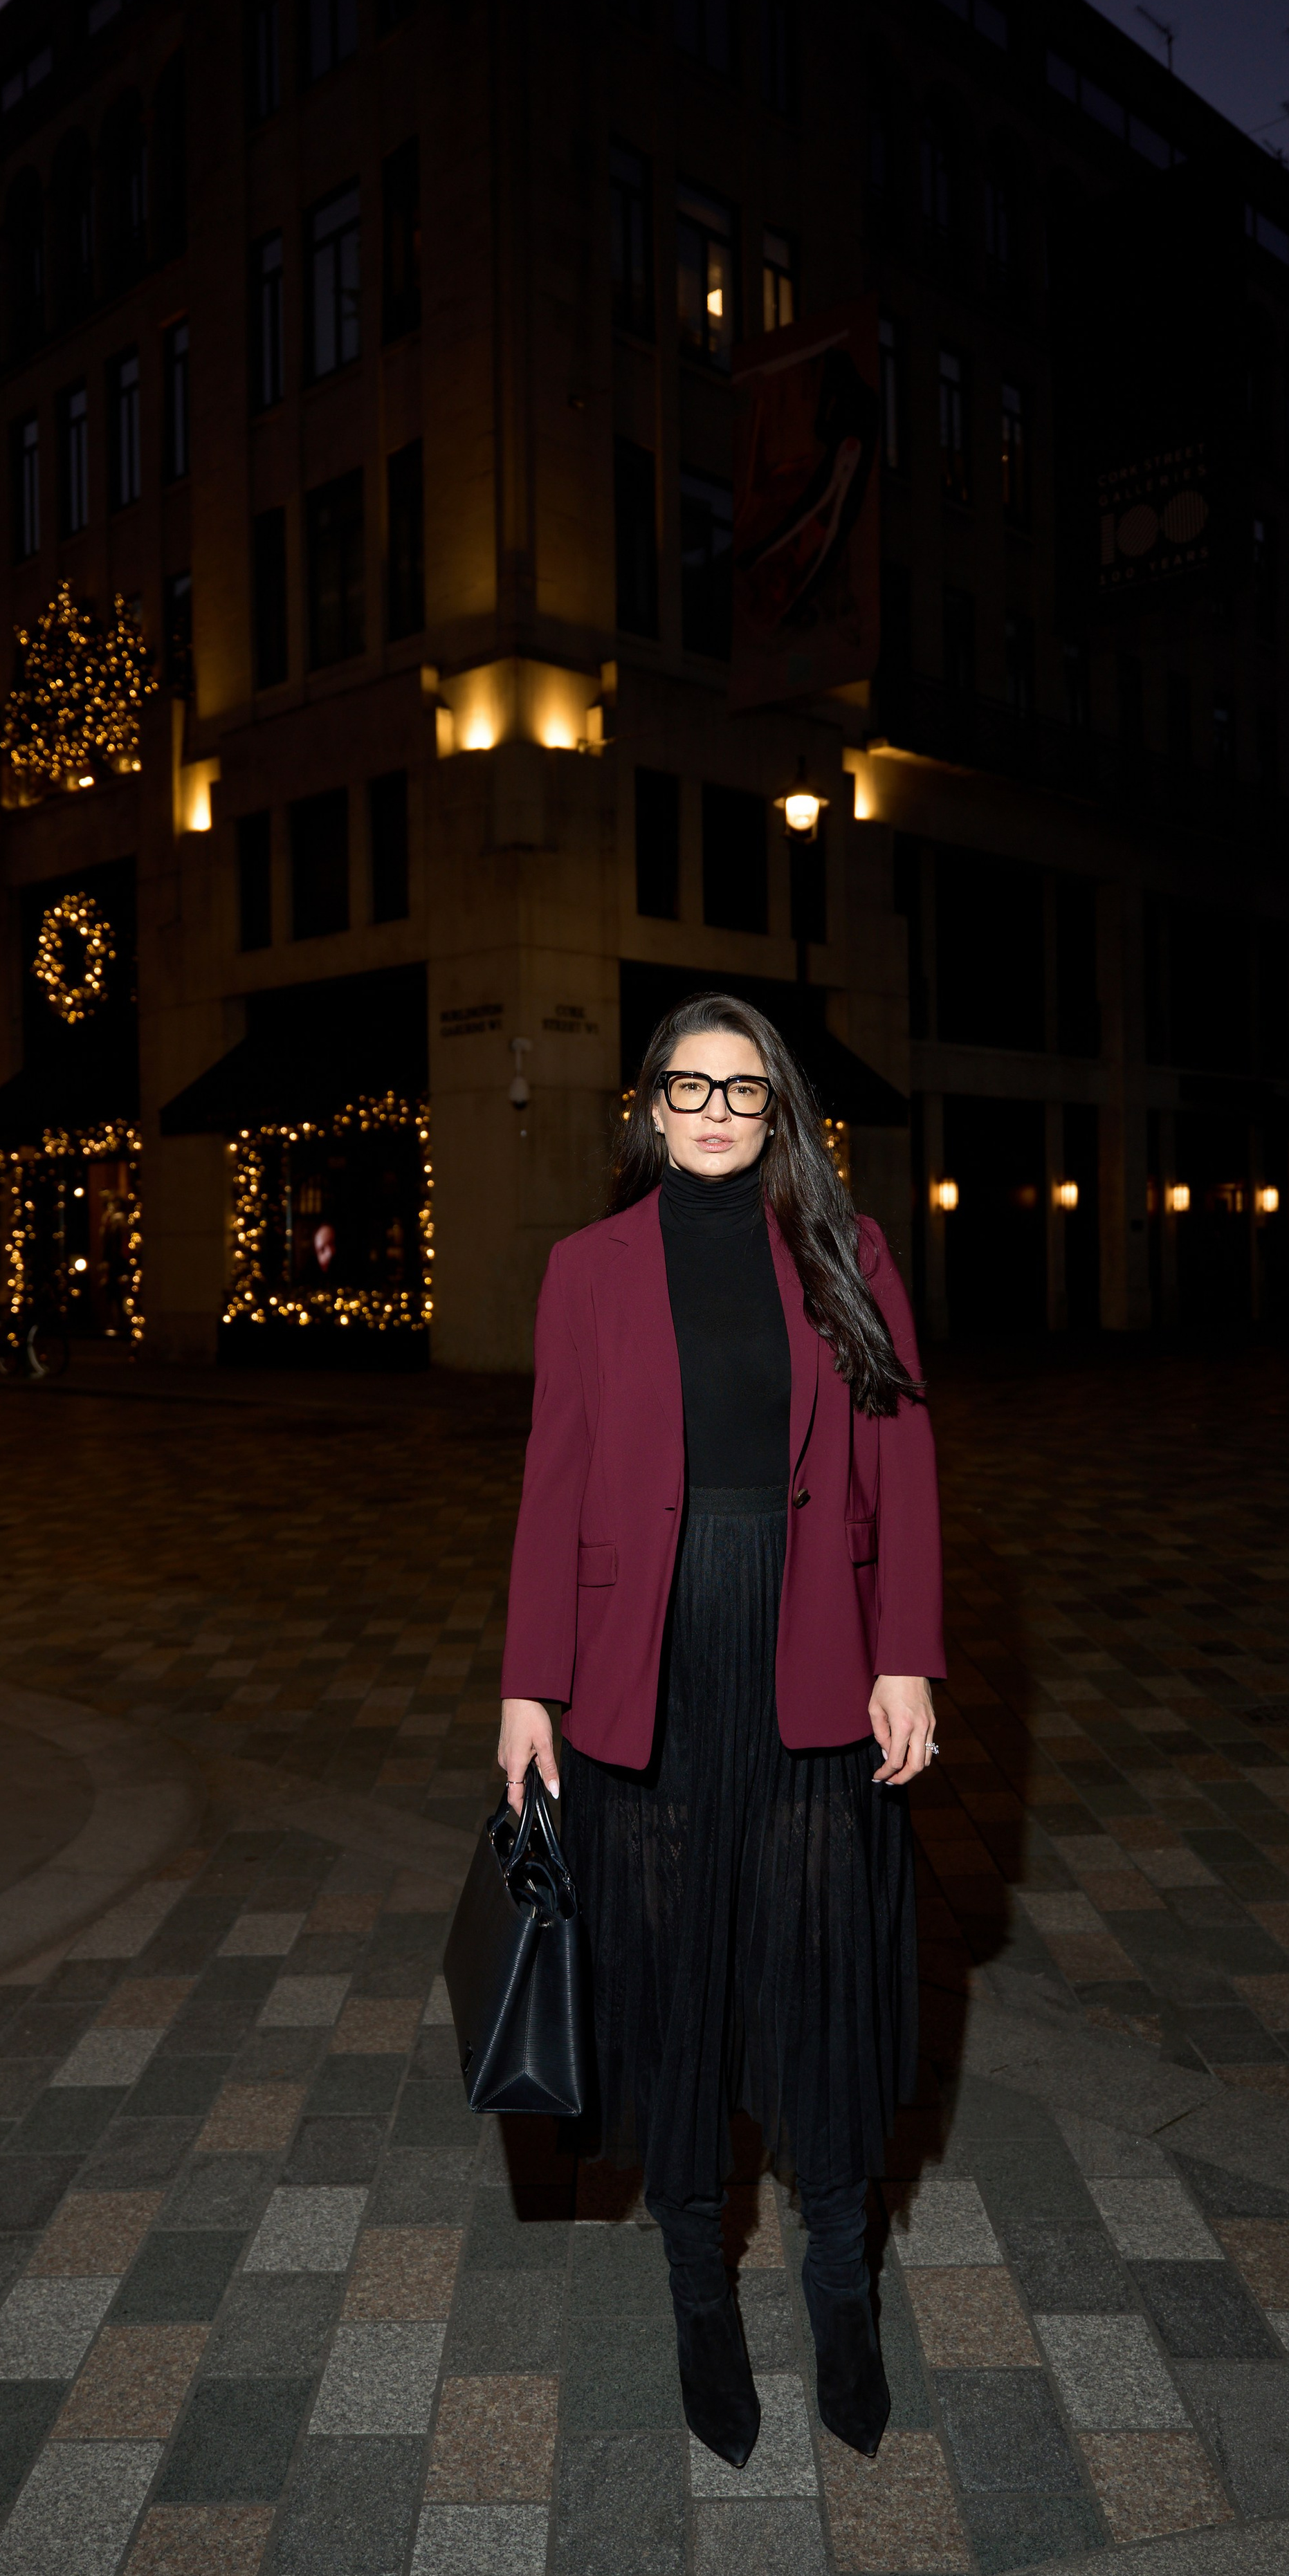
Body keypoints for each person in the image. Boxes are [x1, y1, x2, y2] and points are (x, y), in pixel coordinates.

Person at [499, 993, 943, 2472]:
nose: (707, 1112)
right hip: (654, 1662)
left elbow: (901, 1458)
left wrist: (909, 1660)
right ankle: (699, 2298)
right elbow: (554, 1483)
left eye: (739, 1093)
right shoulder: (585, 1270)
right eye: (684, 1087)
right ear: (646, 1102)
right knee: (678, 1986)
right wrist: (526, 1684)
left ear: (777, 1114)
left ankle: (838, 2292)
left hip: (813, 1645)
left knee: (816, 1984)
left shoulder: (844, 1248)